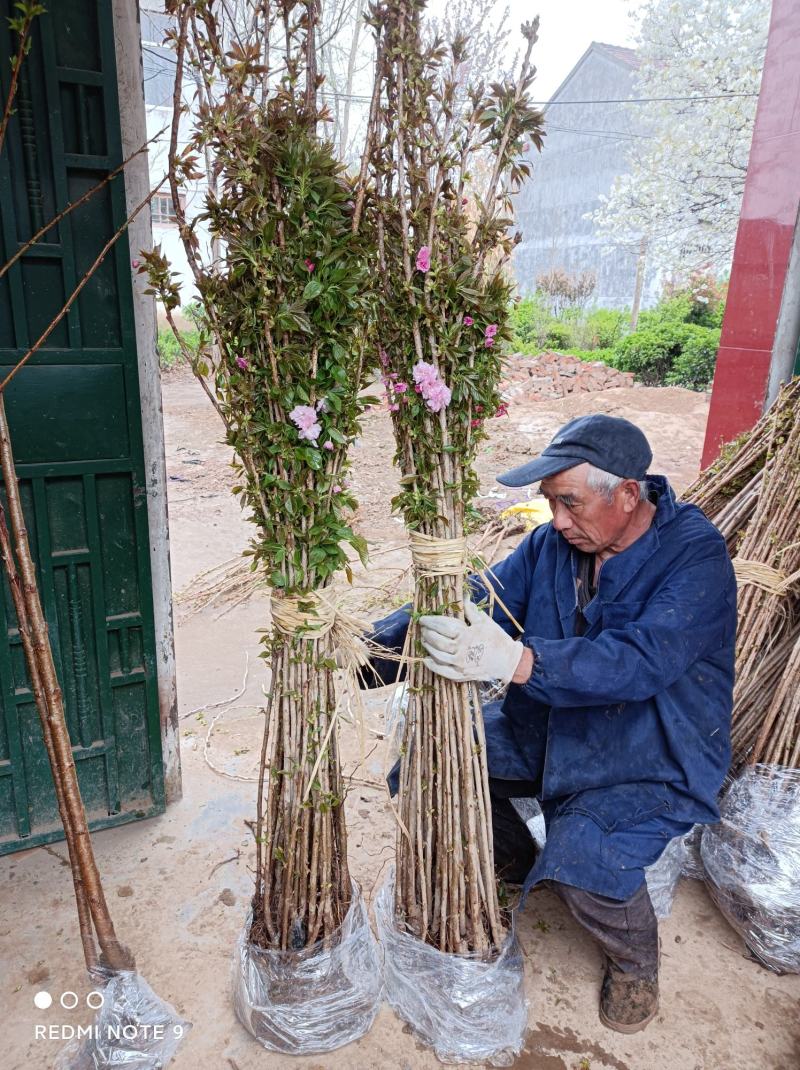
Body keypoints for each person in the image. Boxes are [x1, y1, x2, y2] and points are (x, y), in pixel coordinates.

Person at [365, 413, 737, 1034]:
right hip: (550, 729)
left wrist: (516, 660)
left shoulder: (694, 556)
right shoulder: (552, 546)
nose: (558, 520)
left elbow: (641, 660)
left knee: (583, 862)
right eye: (550, 504)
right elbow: (481, 598)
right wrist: (368, 653)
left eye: (569, 503)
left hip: (646, 756)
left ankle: (635, 964)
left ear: (625, 494)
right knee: (431, 764)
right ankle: (513, 860)